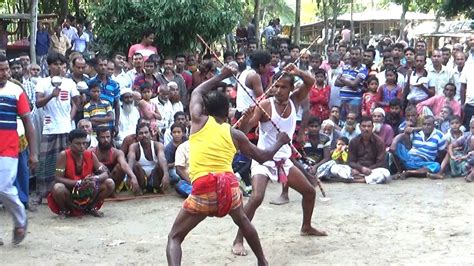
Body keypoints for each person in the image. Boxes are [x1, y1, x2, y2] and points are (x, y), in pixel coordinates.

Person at [166, 65, 291, 266]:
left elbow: (197, 91)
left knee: (174, 237)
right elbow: (263, 156)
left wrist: (222, 74)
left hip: (204, 188)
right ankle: (262, 261)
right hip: (229, 188)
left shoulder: (198, 121)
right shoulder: (235, 134)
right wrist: (280, 141)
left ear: (205, 109)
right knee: (243, 220)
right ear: (228, 113)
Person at [231, 63, 327, 257]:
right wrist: (249, 118)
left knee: (309, 192)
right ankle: (238, 239)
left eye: (284, 87)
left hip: (284, 160)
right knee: (257, 198)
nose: (278, 90)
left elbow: (310, 81)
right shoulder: (265, 105)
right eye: (276, 86)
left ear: (291, 88)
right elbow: (243, 132)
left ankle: (306, 227)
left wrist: (297, 71)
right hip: (264, 159)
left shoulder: (296, 100)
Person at [0, 54, 38, 245]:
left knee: (4, 187)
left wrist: (33, 152)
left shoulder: (16, 91)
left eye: (6, 69)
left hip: (8, 146)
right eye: (1, 69)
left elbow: (27, 122)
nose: (5, 73)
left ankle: (20, 218)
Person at [35, 53, 80, 204]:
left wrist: (70, 117)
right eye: (55, 64)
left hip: (66, 128)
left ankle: (66, 191)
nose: (59, 67)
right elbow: (38, 103)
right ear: (49, 66)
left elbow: (76, 102)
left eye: (61, 64)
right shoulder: (43, 82)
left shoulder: (69, 83)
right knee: (46, 162)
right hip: (49, 127)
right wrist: (51, 96)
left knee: (66, 161)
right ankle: (43, 193)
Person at [47, 129, 115, 218]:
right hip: (70, 191)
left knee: (110, 183)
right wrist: (79, 183)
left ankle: (92, 208)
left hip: (88, 192)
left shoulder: (90, 154)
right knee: (58, 188)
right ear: (70, 144)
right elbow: (58, 178)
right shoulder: (64, 155)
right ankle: (64, 210)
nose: (82, 146)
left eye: (84, 143)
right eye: (78, 143)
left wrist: (96, 178)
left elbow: (105, 173)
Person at [392, 115, 446, 180]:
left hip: (423, 163)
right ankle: (400, 171)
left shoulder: (439, 135)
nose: (426, 127)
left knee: (436, 166)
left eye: (429, 125)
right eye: (424, 124)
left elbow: (441, 153)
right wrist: (394, 143)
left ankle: (409, 173)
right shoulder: (417, 133)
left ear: (433, 126)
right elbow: (404, 136)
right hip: (409, 158)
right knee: (397, 146)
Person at [93, 128, 140, 195]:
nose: (106, 140)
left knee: (120, 167)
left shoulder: (117, 152)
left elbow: (124, 165)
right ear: (97, 138)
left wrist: (133, 176)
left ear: (111, 137)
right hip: (99, 180)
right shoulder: (92, 152)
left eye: (108, 137)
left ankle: (113, 191)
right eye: (102, 137)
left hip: (113, 179)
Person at [127, 123, 169, 194]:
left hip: (155, 177)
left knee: (161, 164)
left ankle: (159, 187)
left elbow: (162, 159)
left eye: (146, 132)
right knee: (134, 164)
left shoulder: (158, 145)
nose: (144, 135)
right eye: (141, 133)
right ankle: (140, 189)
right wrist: (131, 176)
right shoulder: (134, 147)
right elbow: (130, 162)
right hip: (141, 178)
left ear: (150, 134)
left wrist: (166, 173)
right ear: (137, 136)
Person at [348, 116, 390, 184]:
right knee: (337, 169)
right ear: (359, 127)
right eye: (364, 126)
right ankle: (365, 179)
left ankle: (361, 180)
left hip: (373, 171)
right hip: (357, 170)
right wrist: (361, 169)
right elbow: (350, 161)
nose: (366, 129)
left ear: (372, 127)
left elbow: (380, 163)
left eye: (369, 126)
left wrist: (368, 170)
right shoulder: (353, 141)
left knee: (385, 173)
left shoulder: (379, 142)